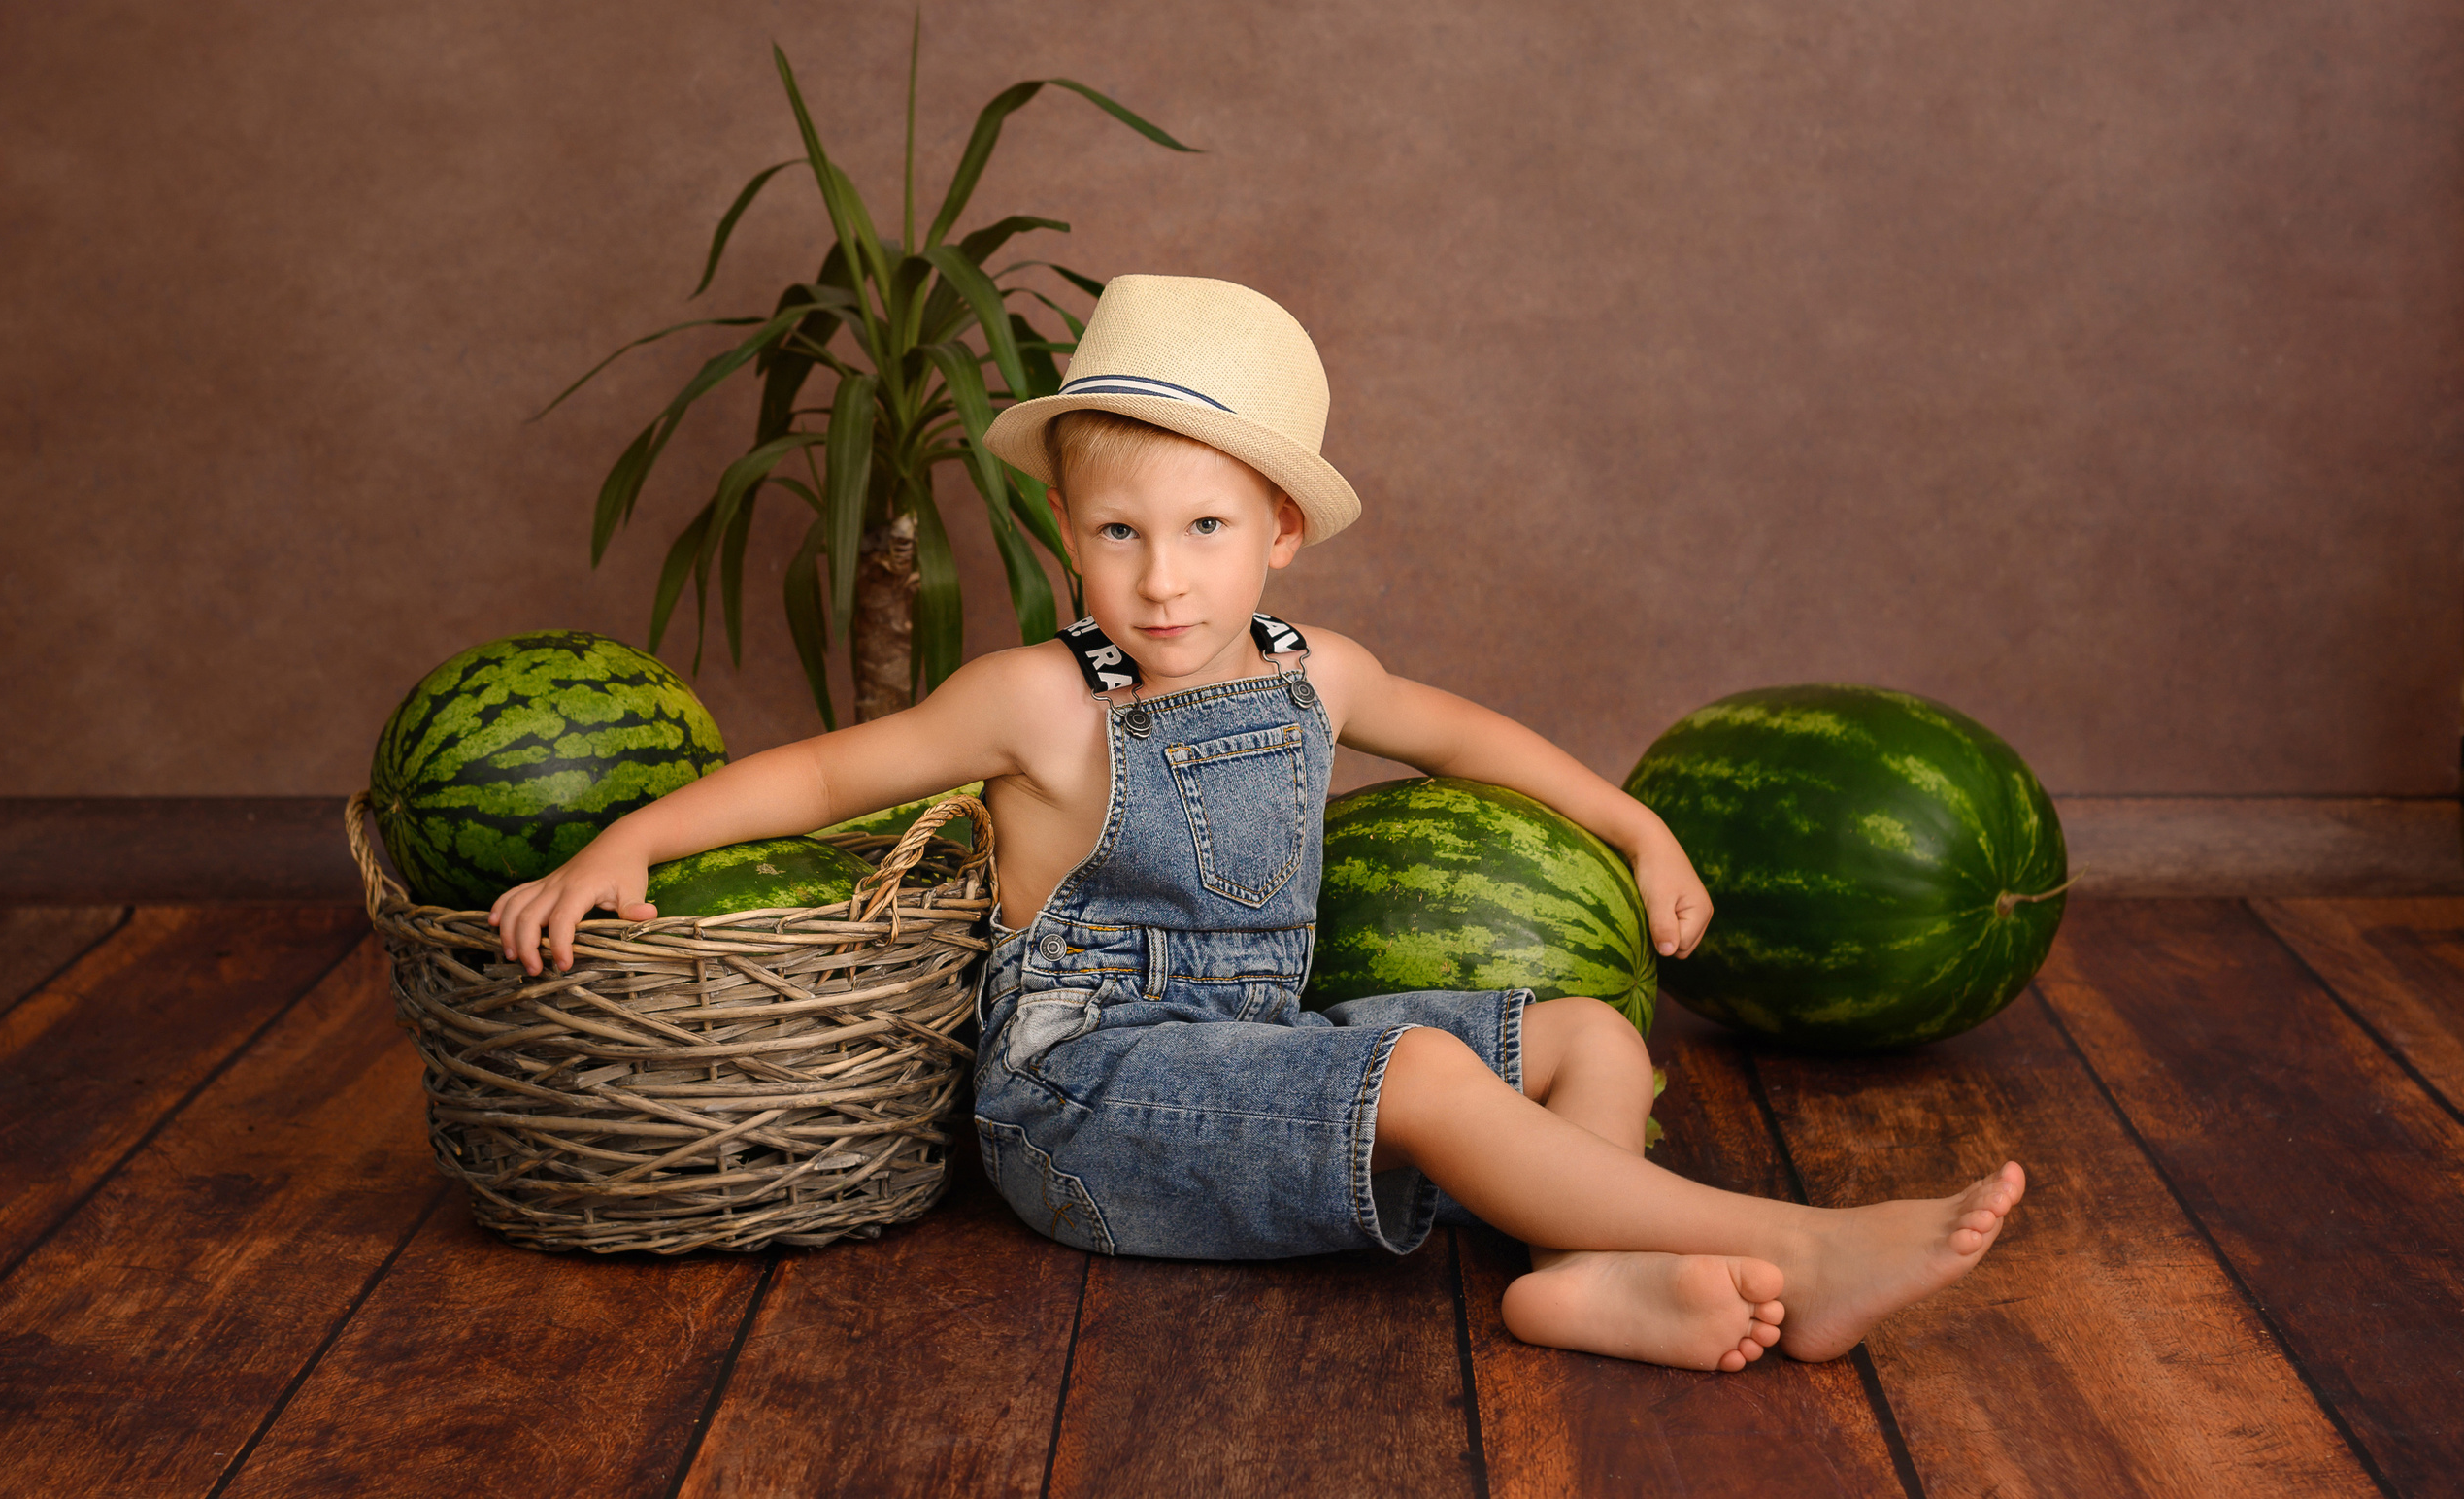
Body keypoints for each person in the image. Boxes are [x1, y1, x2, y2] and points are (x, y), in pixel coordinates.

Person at [492, 275, 2023, 1371]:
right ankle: (1790, 1245)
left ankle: (1593, 1276)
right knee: (1419, 1068)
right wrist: (628, 840)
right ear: (1066, 535)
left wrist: (1636, 824)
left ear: (1280, 533)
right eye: (1119, 533)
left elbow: (1461, 735)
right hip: (1089, 1114)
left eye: (1207, 530)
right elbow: (827, 775)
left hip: (1256, 1063)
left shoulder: (1320, 675)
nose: (1163, 580)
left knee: (1588, 1035)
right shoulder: (1037, 699)